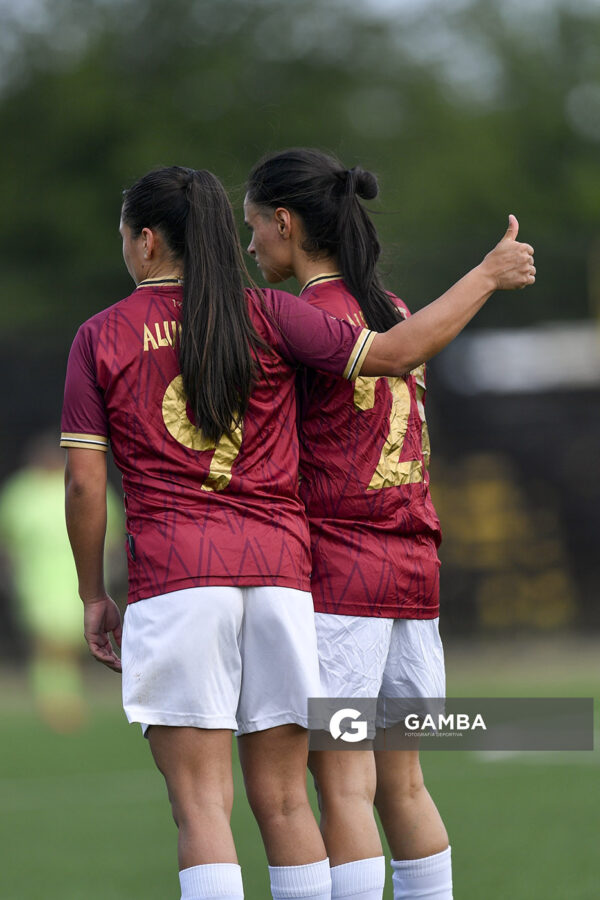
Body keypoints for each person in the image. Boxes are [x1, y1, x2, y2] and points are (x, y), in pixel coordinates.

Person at [61, 165, 532, 900]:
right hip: (333, 571)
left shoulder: (113, 333)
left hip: (250, 571)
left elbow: (85, 480)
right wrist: (484, 277)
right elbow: (397, 351)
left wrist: (92, 593)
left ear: (145, 241)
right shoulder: (317, 312)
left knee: (236, 802)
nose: (251, 242)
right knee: (340, 794)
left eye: (259, 226)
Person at [244, 148, 536, 900]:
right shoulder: (397, 309)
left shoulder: (303, 320)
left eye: (253, 229)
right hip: (412, 569)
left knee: (342, 785)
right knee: (401, 784)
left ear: (285, 222)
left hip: (344, 571)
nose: (248, 248)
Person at [0, 431, 122, 731]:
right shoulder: (21, 492)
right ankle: (57, 702)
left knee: (68, 644)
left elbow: (113, 532)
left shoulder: (87, 486)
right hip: (38, 581)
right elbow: (8, 540)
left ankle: (60, 697)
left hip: (80, 578)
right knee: (49, 643)